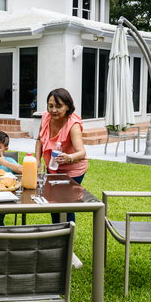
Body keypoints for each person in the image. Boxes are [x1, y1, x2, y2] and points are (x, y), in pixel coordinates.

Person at [34, 88, 88, 224]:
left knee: (65, 202)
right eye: (50, 106)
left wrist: (69, 158)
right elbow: (39, 139)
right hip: (52, 165)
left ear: (68, 106)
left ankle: (67, 237)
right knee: (53, 201)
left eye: (59, 106)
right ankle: (57, 231)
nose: (53, 110)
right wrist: (37, 160)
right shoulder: (46, 116)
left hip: (72, 169)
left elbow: (81, 152)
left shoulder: (73, 125)